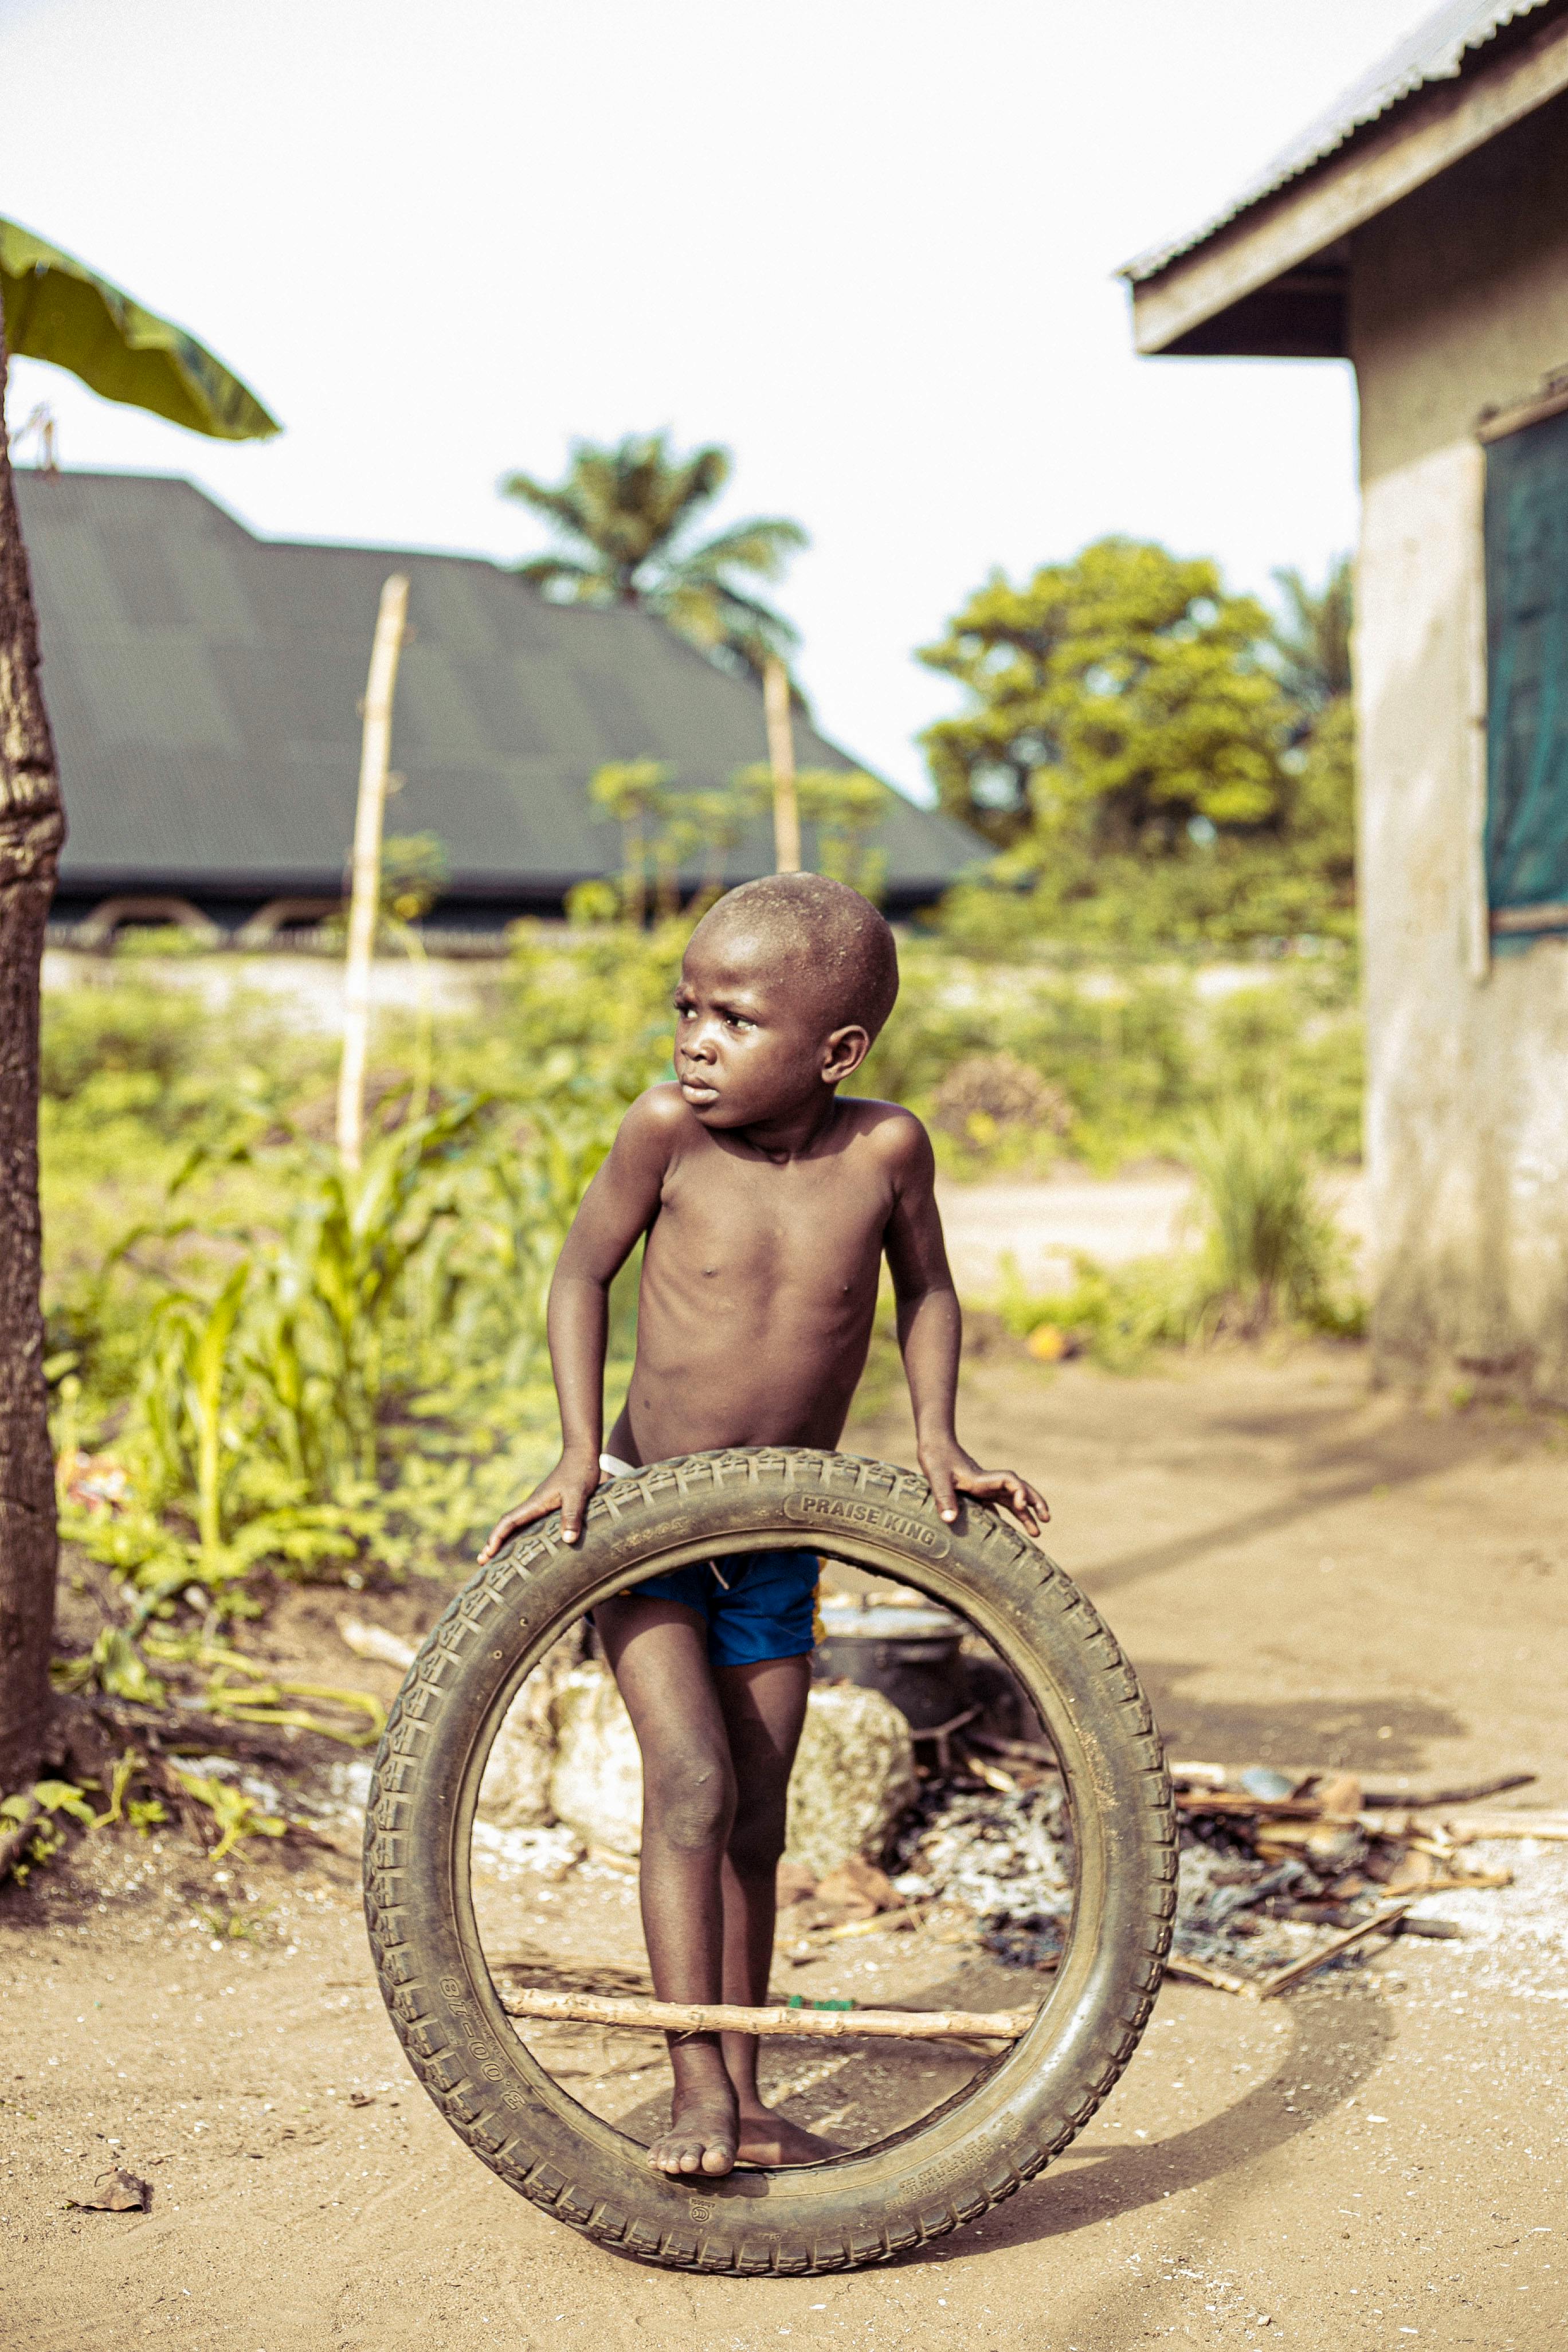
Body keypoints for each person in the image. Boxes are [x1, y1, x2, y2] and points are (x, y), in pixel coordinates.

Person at [480, 873, 1048, 2179]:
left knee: (757, 1812)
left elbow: (930, 1293)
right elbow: (579, 1272)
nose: (693, 1039)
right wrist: (578, 1452)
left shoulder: (888, 1150)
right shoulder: (663, 1134)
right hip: (648, 1522)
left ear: (837, 1052)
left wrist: (938, 1439)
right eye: (686, 1007)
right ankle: (693, 2085)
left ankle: (747, 2086)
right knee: (687, 1782)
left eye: (732, 1018)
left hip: (785, 1531)